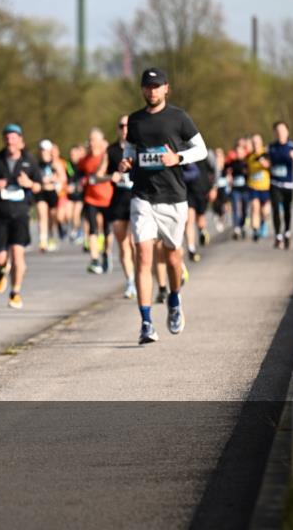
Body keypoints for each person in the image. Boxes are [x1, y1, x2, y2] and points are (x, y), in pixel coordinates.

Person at [118, 67, 207, 344]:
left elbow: (201, 149)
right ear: (142, 89)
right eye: (147, 86)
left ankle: (175, 299)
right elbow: (130, 150)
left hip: (173, 197)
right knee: (143, 256)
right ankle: (146, 323)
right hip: (142, 196)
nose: (152, 91)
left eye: (157, 86)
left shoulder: (178, 118)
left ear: (166, 88)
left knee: (172, 258)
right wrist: (126, 162)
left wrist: (177, 159)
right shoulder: (135, 120)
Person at [0, 124, 39, 309]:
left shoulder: (30, 161)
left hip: (21, 214)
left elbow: (39, 186)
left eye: (13, 138)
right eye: (7, 138)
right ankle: (1, 270)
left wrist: (28, 183)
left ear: (21, 141)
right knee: (0, 258)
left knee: (18, 255)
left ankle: (15, 292)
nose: (10, 141)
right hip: (0, 214)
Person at [106, 116, 137, 299]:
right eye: (121, 126)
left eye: (128, 126)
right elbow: (99, 175)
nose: (125, 129)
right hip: (118, 201)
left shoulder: (138, 147)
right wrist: (111, 176)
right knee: (124, 246)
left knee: (135, 244)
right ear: (117, 129)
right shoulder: (110, 151)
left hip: (137, 198)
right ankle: (130, 282)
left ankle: (141, 277)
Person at [77, 129, 114, 274]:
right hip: (90, 198)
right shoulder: (85, 160)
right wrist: (80, 181)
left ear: (101, 141)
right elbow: (78, 174)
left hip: (107, 198)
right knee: (92, 228)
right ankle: (94, 259)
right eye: (90, 140)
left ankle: (106, 253)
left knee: (107, 230)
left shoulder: (107, 158)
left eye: (94, 140)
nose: (91, 143)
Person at [267, 121, 293, 250]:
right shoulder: (271, 147)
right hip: (275, 183)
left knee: (287, 209)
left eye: (282, 130)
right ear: (275, 133)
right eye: (277, 131)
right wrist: (266, 164)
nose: (280, 133)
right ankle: (278, 236)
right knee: (275, 208)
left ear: (287, 132)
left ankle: (287, 232)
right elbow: (266, 160)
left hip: (289, 184)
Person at [35, 139, 66, 252]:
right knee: (42, 215)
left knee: (53, 217)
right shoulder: (36, 164)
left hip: (52, 192)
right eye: (41, 150)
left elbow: (63, 178)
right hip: (41, 192)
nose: (43, 153)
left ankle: (51, 236)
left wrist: (53, 179)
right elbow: (33, 177)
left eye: (45, 150)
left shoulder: (55, 164)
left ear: (49, 151)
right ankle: (43, 240)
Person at [246, 133, 271, 242]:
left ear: (261, 142)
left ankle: (263, 222)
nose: (255, 144)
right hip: (253, 186)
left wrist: (263, 161)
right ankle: (255, 231)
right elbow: (246, 169)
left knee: (265, 212)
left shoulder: (266, 153)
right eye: (253, 142)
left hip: (265, 187)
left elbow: (269, 166)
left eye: (257, 142)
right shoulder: (249, 156)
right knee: (255, 207)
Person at [227, 139, 251, 239]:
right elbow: (226, 172)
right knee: (236, 209)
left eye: (241, 152)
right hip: (235, 189)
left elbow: (250, 175)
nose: (239, 154)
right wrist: (229, 177)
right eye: (237, 152)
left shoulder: (247, 163)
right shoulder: (232, 163)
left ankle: (242, 225)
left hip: (245, 189)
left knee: (245, 210)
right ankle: (236, 228)